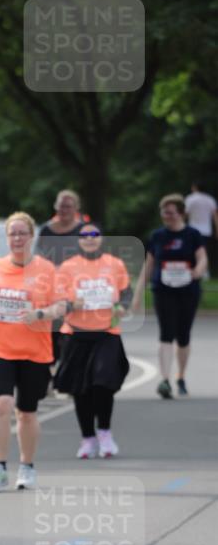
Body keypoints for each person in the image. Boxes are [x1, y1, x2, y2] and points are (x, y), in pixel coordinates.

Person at [0, 211, 65, 491]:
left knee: (26, 412)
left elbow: (61, 306)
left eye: (22, 233)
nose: (17, 238)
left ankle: (27, 467)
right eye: (12, 233)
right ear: (7, 238)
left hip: (34, 351)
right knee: (0, 405)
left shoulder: (46, 269)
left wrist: (40, 313)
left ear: (31, 236)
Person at [54, 224, 132, 458]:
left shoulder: (114, 263)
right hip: (76, 334)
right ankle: (87, 438)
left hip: (107, 333)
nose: (89, 239)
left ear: (101, 239)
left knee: (103, 383)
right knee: (81, 390)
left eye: (94, 235)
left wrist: (122, 306)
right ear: (79, 240)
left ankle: (105, 432)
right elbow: (57, 302)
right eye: (85, 236)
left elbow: (126, 292)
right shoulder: (67, 267)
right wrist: (70, 305)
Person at [133, 194, 207, 398]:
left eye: (171, 212)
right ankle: (164, 380)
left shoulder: (193, 235)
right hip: (163, 290)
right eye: (164, 212)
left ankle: (180, 376)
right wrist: (138, 294)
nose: (167, 216)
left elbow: (202, 259)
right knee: (166, 333)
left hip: (188, 290)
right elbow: (148, 266)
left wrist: (197, 271)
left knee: (183, 336)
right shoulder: (158, 236)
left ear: (181, 213)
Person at [35, 189, 86, 365]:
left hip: (75, 288)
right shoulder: (45, 230)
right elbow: (37, 258)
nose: (64, 210)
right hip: (50, 288)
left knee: (72, 332)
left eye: (68, 206)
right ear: (56, 207)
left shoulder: (83, 230)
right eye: (61, 206)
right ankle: (51, 369)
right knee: (52, 330)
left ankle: (69, 373)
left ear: (76, 208)